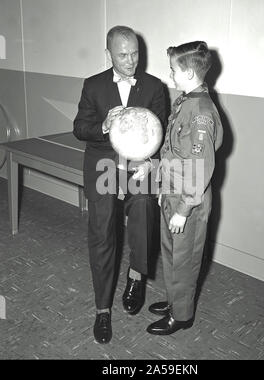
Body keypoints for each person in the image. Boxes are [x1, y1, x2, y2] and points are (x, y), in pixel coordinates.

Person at [73, 26, 166, 344]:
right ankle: (102, 310)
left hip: (138, 167)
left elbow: (161, 135)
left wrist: (151, 162)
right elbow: (79, 128)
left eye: (136, 53)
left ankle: (137, 274)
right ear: (108, 54)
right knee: (102, 233)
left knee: (144, 209)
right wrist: (102, 125)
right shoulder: (93, 85)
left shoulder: (154, 87)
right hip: (102, 165)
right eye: (123, 54)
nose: (131, 61)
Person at [147, 41, 223, 335]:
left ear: (190, 72)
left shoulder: (201, 110)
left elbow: (200, 165)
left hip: (188, 200)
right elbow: (173, 151)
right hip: (173, 192)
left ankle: (182, 315)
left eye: (174, 70)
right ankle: (173, 300)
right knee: (171, 253)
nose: (170, 76)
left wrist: (183, 208)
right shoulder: (186, 101)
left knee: (185, 258)